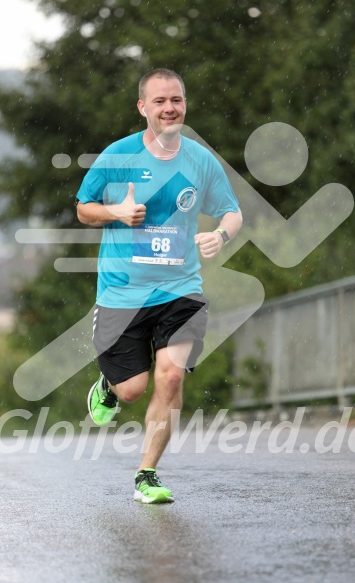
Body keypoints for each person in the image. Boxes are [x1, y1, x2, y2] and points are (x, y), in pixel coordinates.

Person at [75, 68, 242, 504]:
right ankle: (108, 388)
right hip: (122, 292)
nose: (170, 108)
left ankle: (146, 474)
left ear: (185, 104)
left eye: (177, 100)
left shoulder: (200, 160)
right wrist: (116, 213)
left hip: (180, 290)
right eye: (160, 101)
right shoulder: (117, 155)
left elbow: (232, 212)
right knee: (132, 388)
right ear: (142, 107)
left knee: (169, 377)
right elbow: (83, 209)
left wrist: (220, 235)